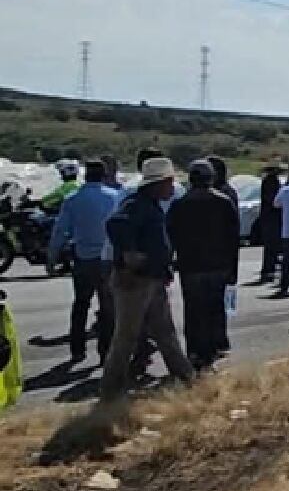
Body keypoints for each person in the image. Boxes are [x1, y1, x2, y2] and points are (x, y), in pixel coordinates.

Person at [98, 158, 196, 402]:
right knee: (126, 337)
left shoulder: (149, 205)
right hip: (136, 282)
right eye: (170, 182)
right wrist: (129, 252)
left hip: (152, 279)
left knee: (165, 332)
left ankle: (186, 377)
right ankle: (110, 390)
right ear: (159, 183)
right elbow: (115, 224)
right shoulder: (137, 204)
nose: (172, 188)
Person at [167, 160, 241, 369]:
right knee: (214, 308)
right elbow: (233, 239)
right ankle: (211, 349)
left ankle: (194, 352)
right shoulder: (224, 202)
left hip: (191, 266)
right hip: (218, 265)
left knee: (193, 310)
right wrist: (233, 269)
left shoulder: (180, 204)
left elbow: (171, 236)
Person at [48, 160, 120, 364]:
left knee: (81, 304)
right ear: (104, 175)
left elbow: (60, 231)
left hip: (83, 257)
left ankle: (77, 350)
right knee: (108, 308)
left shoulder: (72, 199)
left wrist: (52, 257)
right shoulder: (114, 197)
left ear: (85, 175)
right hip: (107, 259)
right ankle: (105, 353)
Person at [257, 165, 285, 285]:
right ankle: (268, 270)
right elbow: (273, 200)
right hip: (271, 217)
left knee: (272, 245)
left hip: (269, 217)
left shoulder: (270, 181)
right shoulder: (270, 182)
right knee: (271, 245)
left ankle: (270, 269)